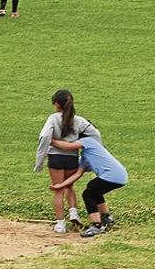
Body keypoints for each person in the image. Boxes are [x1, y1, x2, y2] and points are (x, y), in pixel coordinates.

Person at [34, 89, 101, 233]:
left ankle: (60, 224)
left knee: (58, 190)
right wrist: (89, 151)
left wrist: (40, 160)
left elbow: (45, 136)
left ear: (57, 104)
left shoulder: (53, 118)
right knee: (69, 187)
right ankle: (73, 212)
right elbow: (95, 134)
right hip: (72, 158)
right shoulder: (78, 120)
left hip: (56, 159)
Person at [49, 136, 128, 238]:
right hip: (120, 176)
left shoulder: (89, 141)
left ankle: (97, 225)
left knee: (88, 194)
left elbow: (69, 146)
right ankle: (106, 217)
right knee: (93, 188)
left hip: (112, 175)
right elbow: (78, 174)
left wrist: (51, 140)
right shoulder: (85, 156)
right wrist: (61, 185)